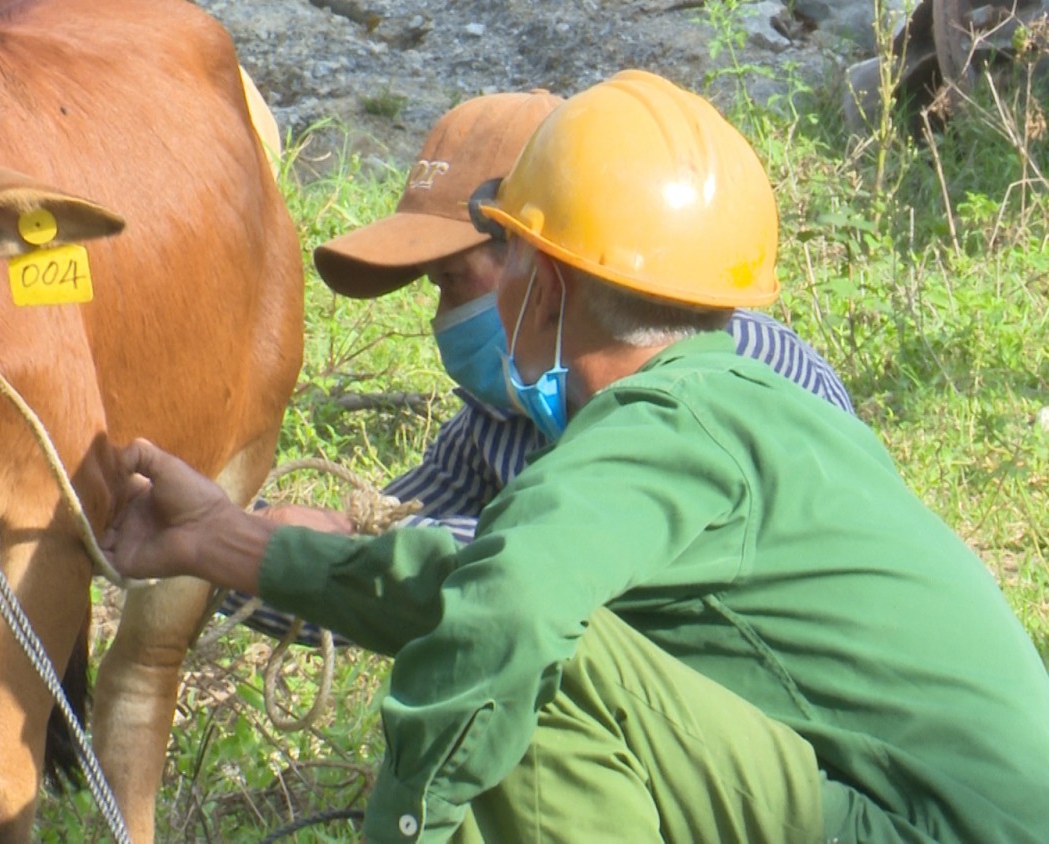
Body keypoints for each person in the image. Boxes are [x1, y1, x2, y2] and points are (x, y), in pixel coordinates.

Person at [102, 70, 1049, 843]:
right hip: (915, 801)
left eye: (495, 262)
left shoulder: (669, 424)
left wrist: (403, 829)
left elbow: (501, 609)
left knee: (536, 674)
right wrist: (229, 541)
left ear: (544, 283)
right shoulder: (737, 402)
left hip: (925, 824)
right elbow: (480, 576)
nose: (458, 310)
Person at [221, 87, 854, 645]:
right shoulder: (504, 419)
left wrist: (330, 551)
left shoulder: (743, 376)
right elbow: (368, 583)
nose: (442, 317)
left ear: (543, 266)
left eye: (454, 280)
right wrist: (205, 543)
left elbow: (522, 580)